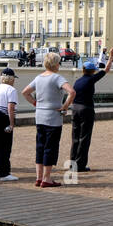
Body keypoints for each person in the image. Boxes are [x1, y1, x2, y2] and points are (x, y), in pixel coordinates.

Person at [23, 52, 75, 187]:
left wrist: (35, 103)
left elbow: (25, 92)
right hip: (53, 116)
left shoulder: (38, 77)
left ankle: (39, 177)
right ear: (56, 64)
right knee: (50, 147)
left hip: (40, 115)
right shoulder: (57, 78)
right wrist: (64, 106)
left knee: (40, 146)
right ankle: (47, 178)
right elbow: (72, 92)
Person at [69, 52, 113, 172]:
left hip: (75, 109)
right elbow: (107, 69)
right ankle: (80, 165)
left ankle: (72, 163)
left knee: (75, 137)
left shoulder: (77, 81)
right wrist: (111, 56)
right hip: (86, 109)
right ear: (92, 71)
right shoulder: (91, 79)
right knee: (84, 138)